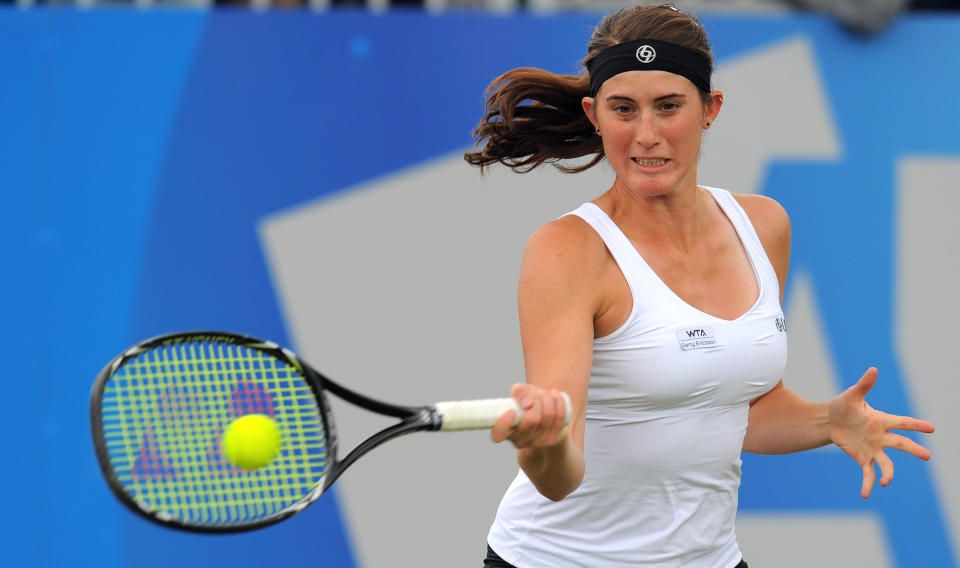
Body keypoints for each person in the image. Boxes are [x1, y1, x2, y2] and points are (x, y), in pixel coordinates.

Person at [463, 4, 935, 567]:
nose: (647, 135)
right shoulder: (567, 251)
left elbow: (740, 407)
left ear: (709, 109)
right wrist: (541, 446)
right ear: (595, 114)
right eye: (623, 109)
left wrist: (826, 420)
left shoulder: (764, 226)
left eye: (668, 107)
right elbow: (560, 475)